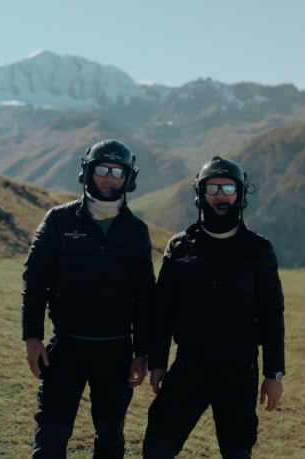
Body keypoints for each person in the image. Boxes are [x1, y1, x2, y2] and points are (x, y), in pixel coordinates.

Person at [143, 156, 285, 459]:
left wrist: (274, 373)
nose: (220, 195)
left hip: (239, 369)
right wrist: (157, 363)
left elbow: (273, 313)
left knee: (237, 452)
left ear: (240, 194)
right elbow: (163, 311)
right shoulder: (179, 247)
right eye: (212, 188)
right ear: (200, 195)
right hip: (189, 366)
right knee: (157, 445)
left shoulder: (259, 249)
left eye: (228, 187)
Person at [21, 139, 155, 459]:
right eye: (101, 170)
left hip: (117, 352)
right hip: (65, 348)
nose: (109, 178)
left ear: (129, 178)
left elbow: (146, 295)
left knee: (110, 439)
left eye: (117, 172)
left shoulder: (136, 231)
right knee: (50, 440)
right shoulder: (58, 220)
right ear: (87, 171)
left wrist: (142, 353)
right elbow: (35, 280)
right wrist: (32, 338)